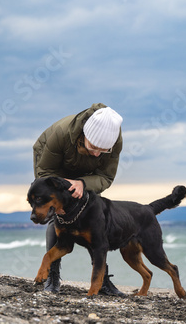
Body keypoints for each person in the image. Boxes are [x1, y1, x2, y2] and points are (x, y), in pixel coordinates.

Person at [32, 103, 124, 295]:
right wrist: (67, 184)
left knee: (93, 216)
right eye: (94, 147)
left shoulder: (114, 141)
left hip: (85, 173)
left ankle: (103, 280)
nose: (97, 154)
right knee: (59, 213)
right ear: (84, 135)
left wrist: (83, 182)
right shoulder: (61, 134)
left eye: (103, 150)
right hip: (52, 166)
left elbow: (106, 177)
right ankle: (52, 277)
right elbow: (45, 172)